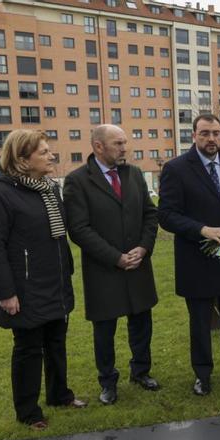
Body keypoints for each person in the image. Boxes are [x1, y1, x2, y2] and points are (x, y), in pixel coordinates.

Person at [0, 130, 86, 429]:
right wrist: (6, 292)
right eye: (43, 152)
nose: (51, 155)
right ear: (22, 159)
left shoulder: (49, 188)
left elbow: (58, 236)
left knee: (56, 342)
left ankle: (59, 395)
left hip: (55, 281)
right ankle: (28, 411)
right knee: (28, 349)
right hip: (24, 287)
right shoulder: (0, 192)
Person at [63, 125, 160, 406]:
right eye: (118, 143)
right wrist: (115, 257)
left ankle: (141, 371)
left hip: (138, 264)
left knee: (142, 322)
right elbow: (79, 229)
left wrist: (144, 247)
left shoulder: (134, 174)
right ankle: (107, 381)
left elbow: (150, 215)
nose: (124, 148)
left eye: (125, 143)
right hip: (104, 270)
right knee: (105, 330)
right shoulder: (77, 181)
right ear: (98, 146)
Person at [158, 114, 220, 396]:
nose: (211, 139)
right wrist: (202, 230)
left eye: (216, 133)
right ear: (194, 136)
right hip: (196, 260)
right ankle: (202, 374)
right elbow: (166, 216)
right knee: (200, 322)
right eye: (205, 133)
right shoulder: (176, 169)